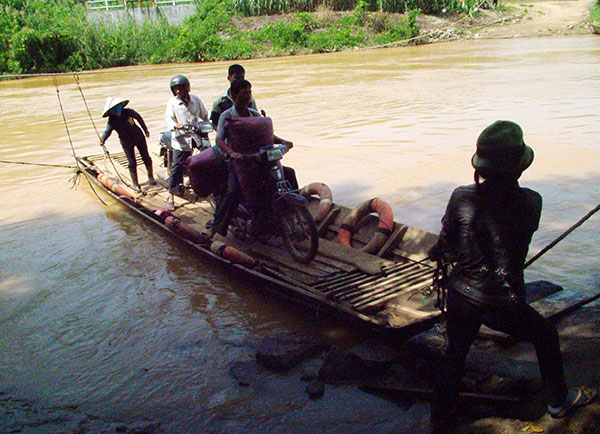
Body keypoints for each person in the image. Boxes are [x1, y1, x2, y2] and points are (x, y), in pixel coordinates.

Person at [427, 120, 596, 431]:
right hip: (502, 301)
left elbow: (447, 241)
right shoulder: (532, 202)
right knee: (545, 335)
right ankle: (558, 403)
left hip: (461, 294)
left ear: (481, 166)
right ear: (518, 168)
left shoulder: (459, 197)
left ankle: (440, 418)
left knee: (455, 353)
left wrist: (436, 253)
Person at [208, 79, 293, 238]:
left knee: (287, 174)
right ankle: (215, 229)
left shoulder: (254, 115)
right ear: (233, 95)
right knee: (233, 192)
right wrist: (232, 152)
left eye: (249, 92)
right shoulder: (226, 116)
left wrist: (282, 141)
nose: (247, 96)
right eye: (243, 93)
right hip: (237, 162)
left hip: (258, 158)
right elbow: (219, 140)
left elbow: (267, 136)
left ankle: (284, 217)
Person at [165, 74, 209, 211]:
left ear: (187, 87)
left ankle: (206, 187)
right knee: (177, 167)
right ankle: (170, 195)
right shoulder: (172, 103)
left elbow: (205, 115)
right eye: (175, 89)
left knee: (207, 158)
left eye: (180, 88)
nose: (178, 91)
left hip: (196, 136)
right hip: (181, 139)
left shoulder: (196, 100)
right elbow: (168, 118)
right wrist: (175, 125)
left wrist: (208, 123)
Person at [99, 97, 154, 192]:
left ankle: (151, 177)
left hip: (138, 137)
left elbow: (139, 118)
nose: (117, 110)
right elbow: (107, 132)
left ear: (121, 106)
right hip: (126, 142)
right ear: (111, 111)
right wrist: (102, 139)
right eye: (114, 109)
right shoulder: (112, 121)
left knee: (146, 157)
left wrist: (145, 130)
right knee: (132, 163)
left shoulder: (128, 112)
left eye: (118, 107)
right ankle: (136, 184)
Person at [210, 64, 258, 129]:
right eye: (237, 78)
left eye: (242, 78)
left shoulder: (250, 100)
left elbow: (256, 120)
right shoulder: (219, 102)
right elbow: (214, 123)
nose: (240, 80)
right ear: (229, 78)